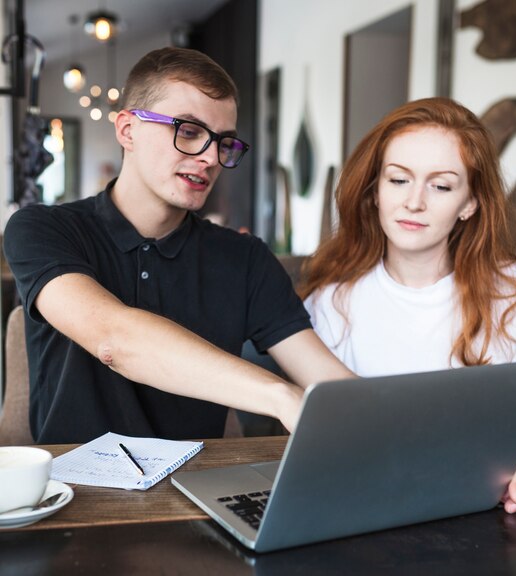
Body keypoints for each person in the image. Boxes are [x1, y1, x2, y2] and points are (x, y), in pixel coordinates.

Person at [4, 47, 353, 444]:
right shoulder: (44, 229)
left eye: (224, 143)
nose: (210, 158)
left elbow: (329, 383)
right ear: (127, 130)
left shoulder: (244, 258)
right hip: (79, 494)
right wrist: (280, 396)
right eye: (188, 131)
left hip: (198, 491)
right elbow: (113, 339)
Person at [301, 97, 516, 513]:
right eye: (398, 180)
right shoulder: (330, 302)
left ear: (470, 202)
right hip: (366, 510)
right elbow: (316, 443)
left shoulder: (514, 292)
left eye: (441, 185)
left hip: (486, 512)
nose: (414, 202)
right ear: (375, 191)